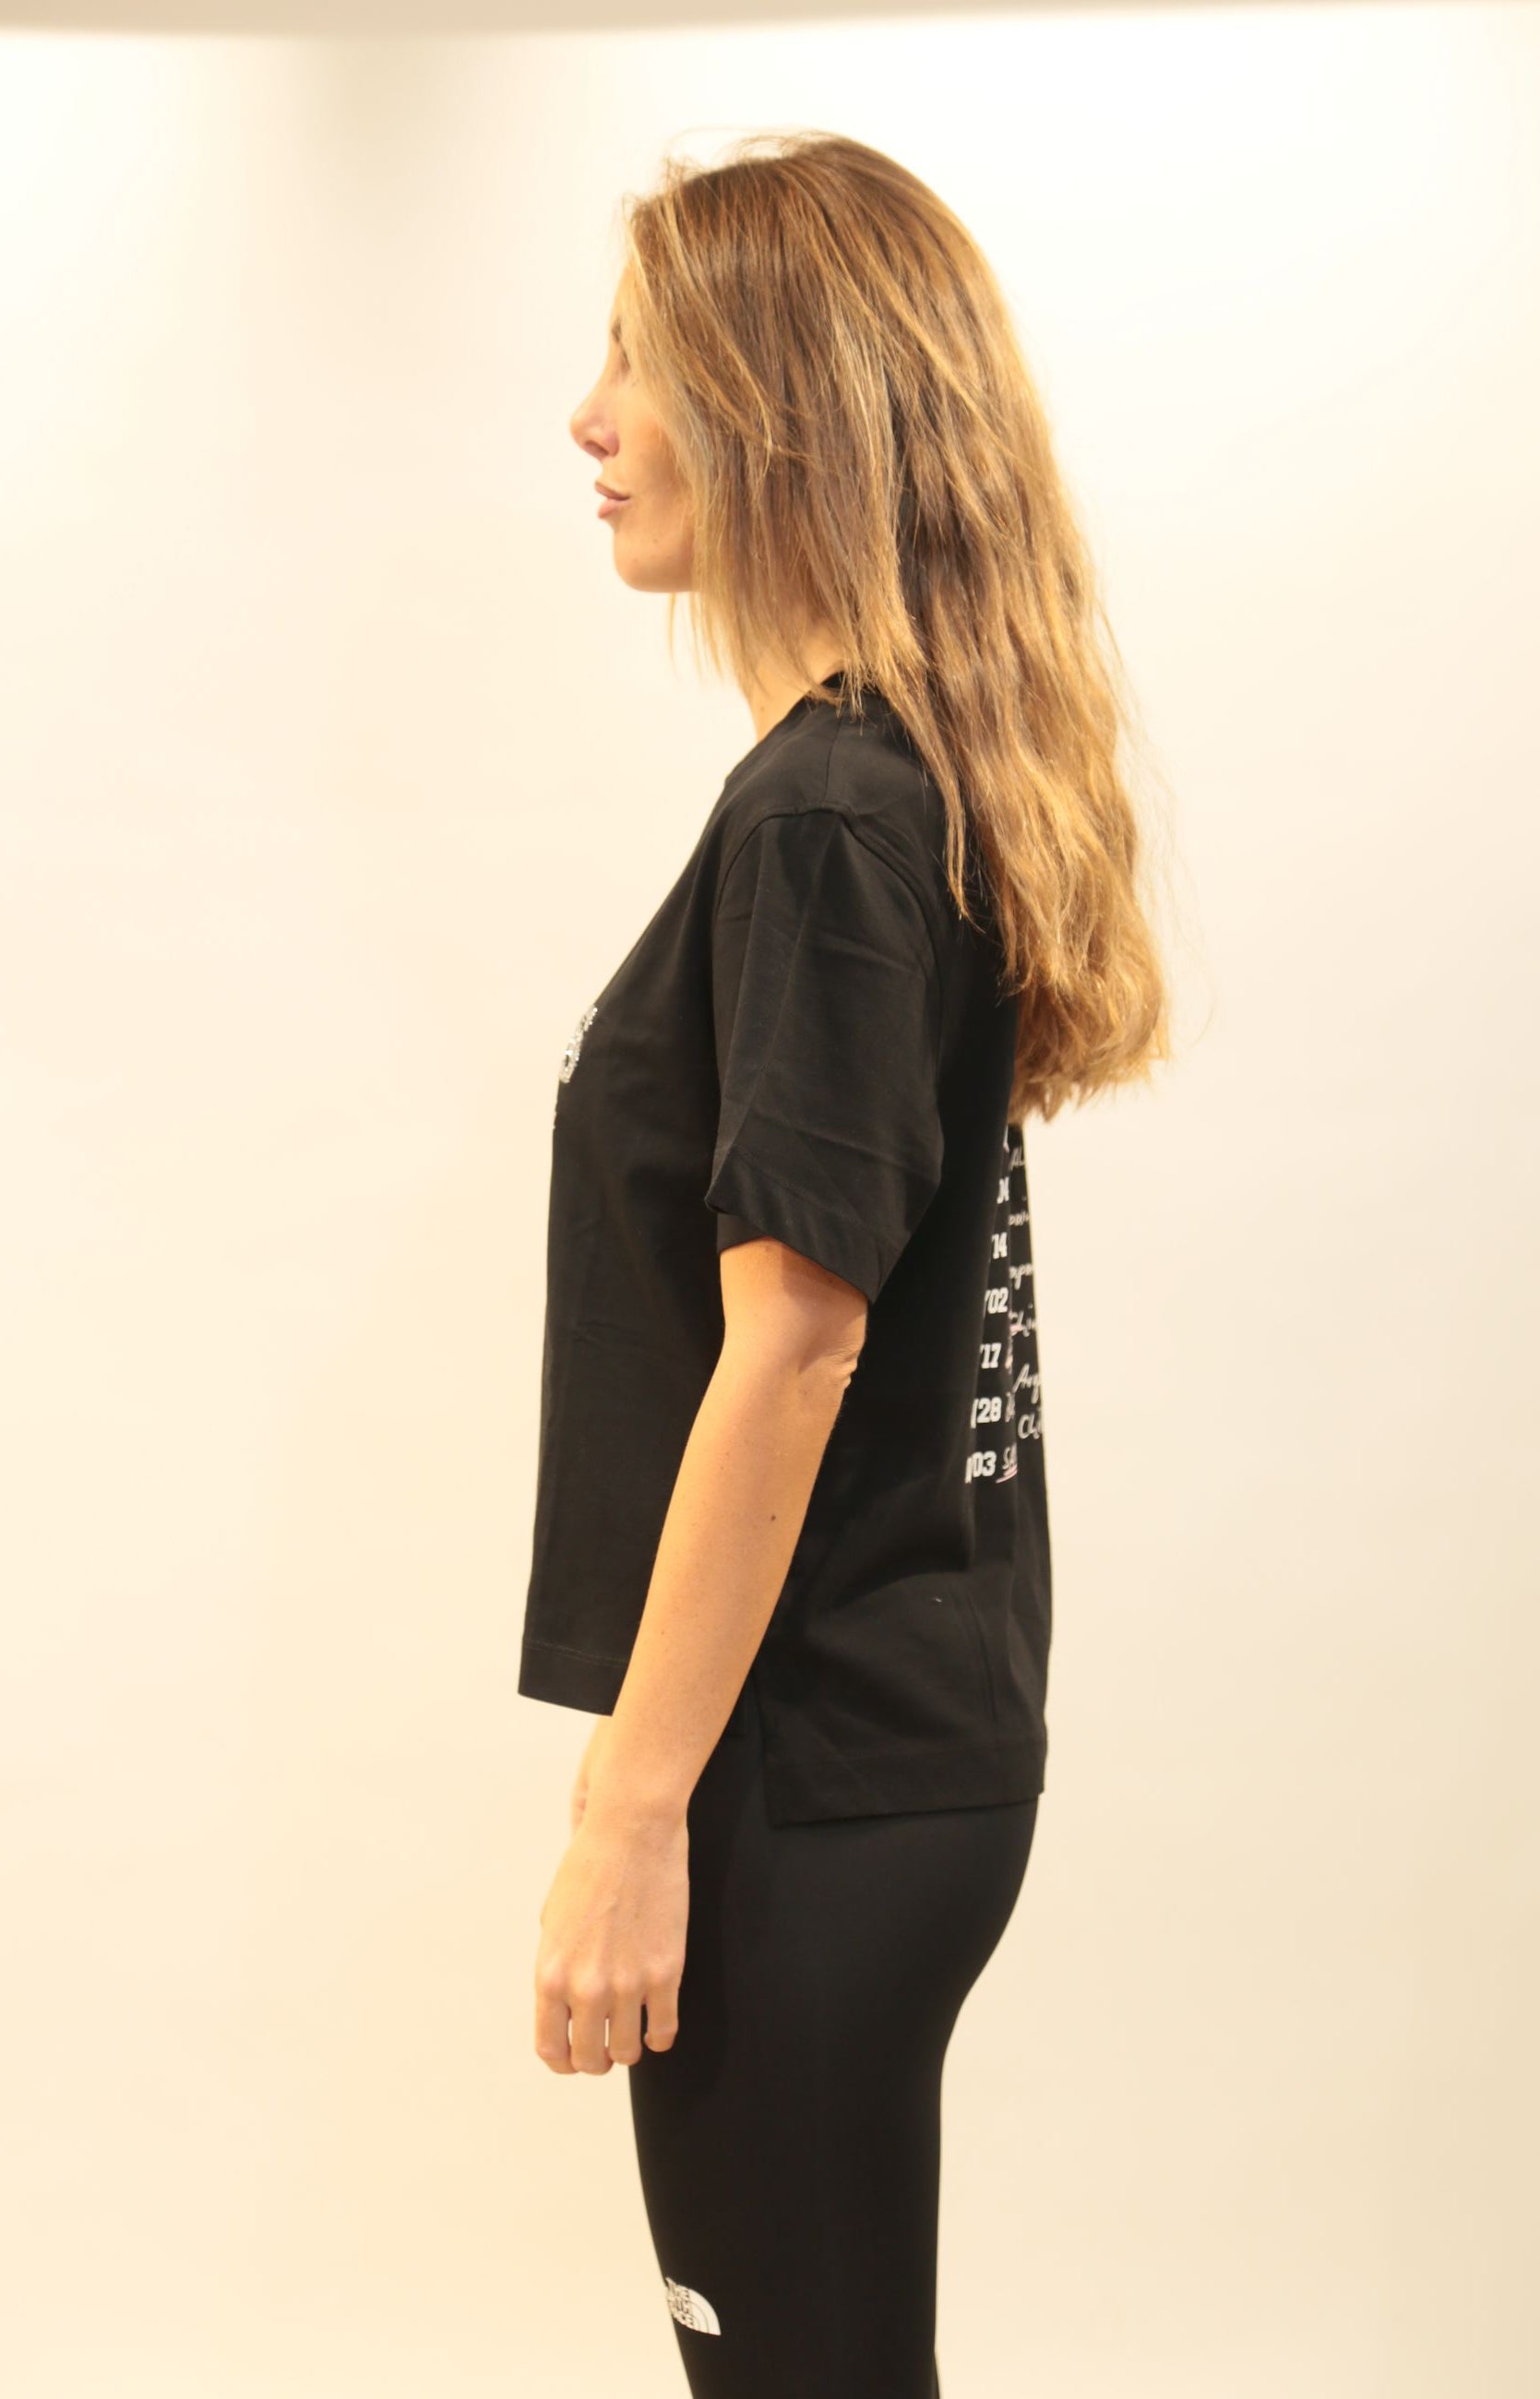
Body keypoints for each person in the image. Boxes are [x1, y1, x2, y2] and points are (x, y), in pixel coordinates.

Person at [517, 131, 1171, 2398]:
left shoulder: (825, 814)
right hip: (890, 1752)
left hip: (805, 1772)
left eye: (638, 361)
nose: (590, 418)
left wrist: (630, 1813)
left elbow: (791, 1351)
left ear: (776, 405)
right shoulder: (890, 791)